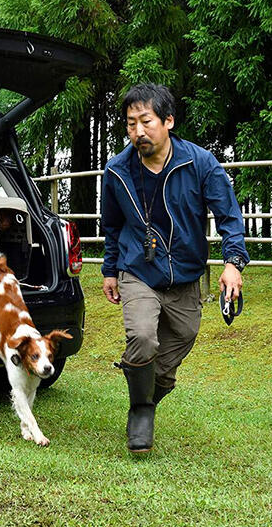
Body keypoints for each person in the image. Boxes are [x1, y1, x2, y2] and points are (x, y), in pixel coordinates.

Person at [101, 83, 249, 453]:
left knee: (181, 339)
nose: (138, 131)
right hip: (138, 270)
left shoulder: (199, 163)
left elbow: (229, 216)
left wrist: (233, 263)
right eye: (131, 124)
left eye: (146, 121)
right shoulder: (117, 170)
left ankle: (150, 394)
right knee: (143, 337)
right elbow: (112, 227)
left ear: (168, 121)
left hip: (185, 274)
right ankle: (140, 412)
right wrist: (109, 270)